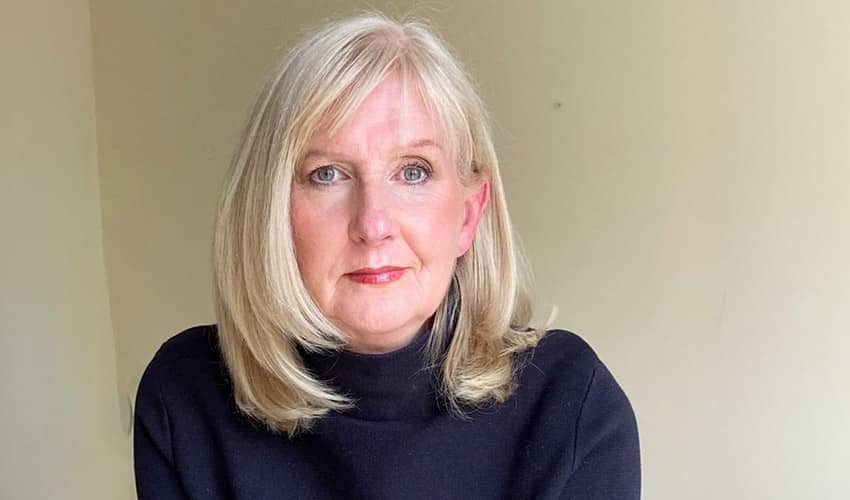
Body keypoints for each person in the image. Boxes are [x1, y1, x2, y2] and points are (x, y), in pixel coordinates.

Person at [134, 12, 640, 500]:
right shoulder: (187, 399)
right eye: (327, 173)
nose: (373, 225)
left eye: (413, 171)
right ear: (270, 214)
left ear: (468, 215)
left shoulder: (570, 408)